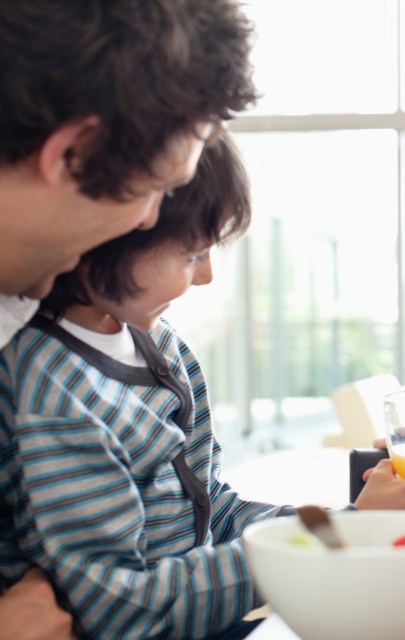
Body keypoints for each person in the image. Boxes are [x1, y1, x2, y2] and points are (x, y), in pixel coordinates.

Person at [0, 132, 405, 639]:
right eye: (191, 254)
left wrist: (348, 523)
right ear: (112, 234)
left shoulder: (163, 350)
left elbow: (216, 512)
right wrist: (340, 535)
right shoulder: (52, 394)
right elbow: (120, 608)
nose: (207, 276)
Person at [0, 1, 259, 637]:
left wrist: (334, 528)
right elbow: (112, 599)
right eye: (153, 188)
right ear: (74, 155)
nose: (148, 219)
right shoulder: (41, 378)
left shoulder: (153, 348)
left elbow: (208, 503)